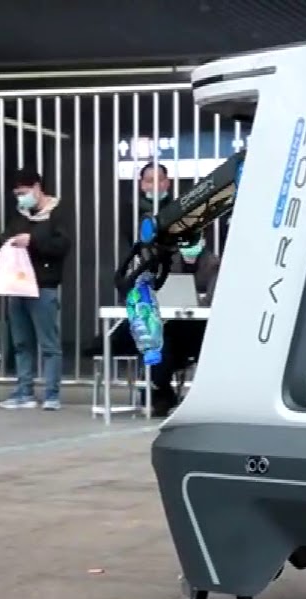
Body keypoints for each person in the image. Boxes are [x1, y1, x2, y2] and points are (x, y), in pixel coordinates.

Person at [113, 162, 220, 417]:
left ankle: (165, 393)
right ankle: (159, 394)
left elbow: (214, 301)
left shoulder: (212, 263)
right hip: (169, 322)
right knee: (155, 337)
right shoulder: (167, 262)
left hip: (199, 328)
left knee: (169, 340)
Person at [0, 169, 72, 411]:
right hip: (18, 285)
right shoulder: (19, 214)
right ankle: (24, 391)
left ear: (37, 187)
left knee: (49, 344)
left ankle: (52, 394)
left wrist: (33, 241)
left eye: (25, 192)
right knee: (21, 343)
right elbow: (5, 237)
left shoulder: (57, 212)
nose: (22, 198)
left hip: (44, 285)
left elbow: (62, 245)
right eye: (18, 194)